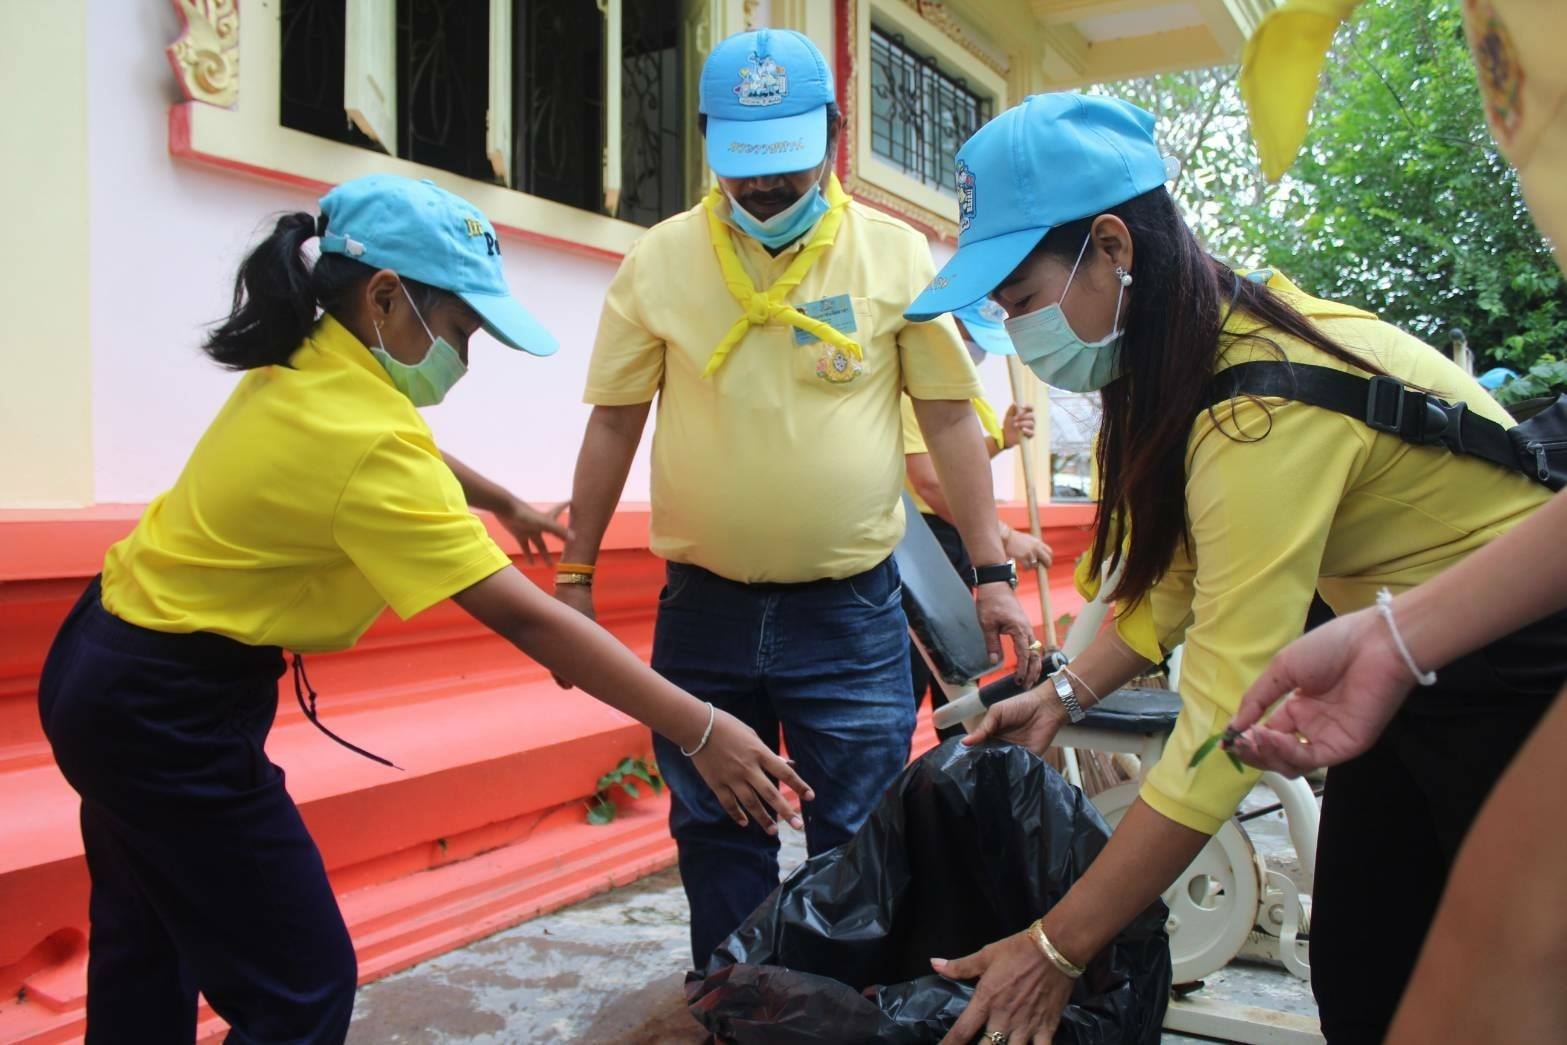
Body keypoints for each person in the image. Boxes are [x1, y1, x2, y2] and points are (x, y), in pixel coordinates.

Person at [36, 173, 811, 1045]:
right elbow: (527, 619)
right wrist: (700, 726)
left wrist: (501, 500)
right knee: (301, 986)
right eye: (459, 331)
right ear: (384, 297)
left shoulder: (313, 358)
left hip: (105, 661)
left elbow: (400, 446)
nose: (464, 358)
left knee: (149, 941)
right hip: (165, 713)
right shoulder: (365, 438)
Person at [898, 92, 1561, 1045]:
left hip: (1519, 662)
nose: (1017, 332)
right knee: (1366, 971)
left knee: (1500, 987)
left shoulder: (1260, 401)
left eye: (1021, 299)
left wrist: (1055, 946)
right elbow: (1177, 579)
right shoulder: (1195, 356)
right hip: (1394, 653)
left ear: (1114, 248)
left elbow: (1217, 714)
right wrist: (1067, 692)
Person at [553, 27, 1042, 969]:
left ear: (832, 134)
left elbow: (945, 420)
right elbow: (612, 423)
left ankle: (842, 1014)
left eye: (788, 162)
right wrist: (575, 572)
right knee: (715, 828)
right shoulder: (658, 262)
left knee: (857, 837)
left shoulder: (895, 257)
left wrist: (988, 571)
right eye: (746, 166)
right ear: (708, 141)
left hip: (848, 614)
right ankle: (735, 1009)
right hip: (703, 610)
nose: (768, 188)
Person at [903, 301, 1053, 735]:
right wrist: (1004, 537)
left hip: (957, 538)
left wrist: (1001, 442)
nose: (976, 352)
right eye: (971, 340)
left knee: (959, 674)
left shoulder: (964, 388)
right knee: (924, 671)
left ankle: (959, 776)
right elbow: (930, 482)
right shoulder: (918, 384)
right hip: (923, 543)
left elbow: (958, 464)